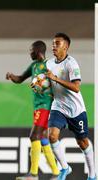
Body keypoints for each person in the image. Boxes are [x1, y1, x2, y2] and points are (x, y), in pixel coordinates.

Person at [6, 40, 59, 180]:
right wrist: (12, 76)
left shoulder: (50, 65)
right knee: (42, 139)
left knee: (33, 136)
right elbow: (20, 79)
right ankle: (56, 173)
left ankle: (33, 174)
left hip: (46, 106)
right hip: (38, 107)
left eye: (31, 50)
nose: (29, 52)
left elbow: (57, 82)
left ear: (38, 51)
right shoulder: (34, 66)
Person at [46, 33, 96, 180]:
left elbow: (76, 87)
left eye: (57, 44)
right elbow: (50, 86)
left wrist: (55, 78)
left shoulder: (71, 63)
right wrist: (41, 88)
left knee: (83, 142)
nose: (54, 46)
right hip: (59, 107)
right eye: (53, 43)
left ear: (66, 47)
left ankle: (92, 175)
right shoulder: (49, 64)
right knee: (52, 136)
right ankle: (65, 168)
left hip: (76, 110)